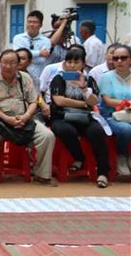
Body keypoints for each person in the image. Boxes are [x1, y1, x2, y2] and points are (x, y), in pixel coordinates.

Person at [0, 50, 57, 187]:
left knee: (47, 136)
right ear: (0, 63)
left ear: (18, 64)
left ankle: (42, 175)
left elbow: (33, 101)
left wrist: (26, 116)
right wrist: (6, 118)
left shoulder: (25, 78)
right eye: (5, 62)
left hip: (25, 118)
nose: (8, 66)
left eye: (12, 63)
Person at [49, 48, 110, 188]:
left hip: (85, 117)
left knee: (97, 132)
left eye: (76, 62)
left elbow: (94, 102)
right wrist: (83, 103)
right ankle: (79, 157)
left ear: (83, 64)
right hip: (61, 116)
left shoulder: (89, 80)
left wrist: (83, 88)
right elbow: (59, 101)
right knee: (66, 130)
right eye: (69, 61)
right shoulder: (58, 78)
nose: (72, 65)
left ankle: (103, 173)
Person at [98, 45, 131, 176]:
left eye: (123, 58)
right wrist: (126, 104)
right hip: (111, 115)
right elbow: (107, 100)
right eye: (115, 58)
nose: (119, 61)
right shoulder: (107, 77)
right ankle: (121, 156)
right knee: (126, 129)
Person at [12, 10, 51, 93]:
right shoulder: (18, 38)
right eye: (29, 22)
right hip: (20, 76)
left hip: (38, 78)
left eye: (35, 22)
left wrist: (26, 56)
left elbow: (43, 60)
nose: (31, 24)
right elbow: (17, 56)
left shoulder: (46, 41)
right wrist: (39, 53)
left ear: (40, 25)